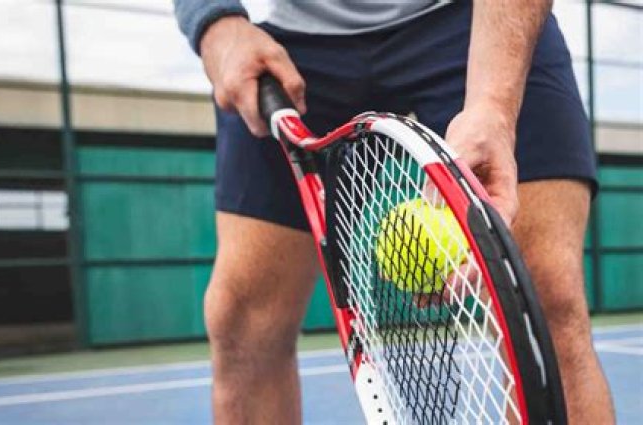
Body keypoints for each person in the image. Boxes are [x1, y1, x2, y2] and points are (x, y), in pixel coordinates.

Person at [174, 1, 614, 423]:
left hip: (475, 19)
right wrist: (217, 25)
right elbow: (215, 21)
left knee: (542, 302)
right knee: (243, 322)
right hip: (297, 49)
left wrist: (493, 107)